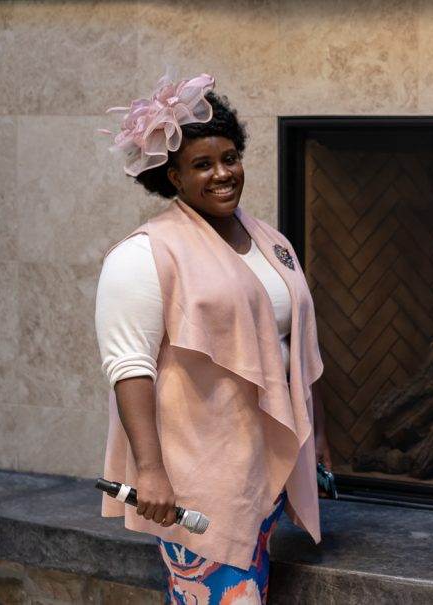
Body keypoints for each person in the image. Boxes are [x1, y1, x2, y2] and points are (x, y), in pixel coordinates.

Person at [95, 72, 326, 603]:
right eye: (202, 165)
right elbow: (129, 366)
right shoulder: (143, 254)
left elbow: (298, 348)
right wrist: (150, 472)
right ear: (172, 175)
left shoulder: (270, 240)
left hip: (256, 470)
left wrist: (319, 443)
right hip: (196, 477)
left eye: (230, 157)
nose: (222, 174)